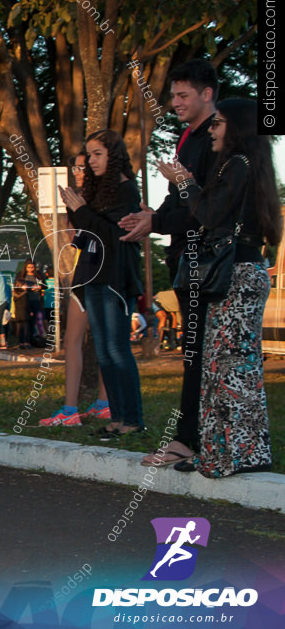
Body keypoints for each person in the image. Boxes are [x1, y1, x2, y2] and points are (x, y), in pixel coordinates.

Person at [163, 98, 280, 477]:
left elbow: (210, 214)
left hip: (237, 275)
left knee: (231, 368)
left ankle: (238, 454)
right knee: (222, 366)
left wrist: (184, 183)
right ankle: (220, 452)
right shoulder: (249, 167)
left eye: (219, 123)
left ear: (238, 128)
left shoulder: (238, 165)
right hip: (242, 272)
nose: (211, 129)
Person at [120, 60, 217, 468]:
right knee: (194, 353)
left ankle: (189, 440)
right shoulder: (184, 139)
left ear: (206, 94)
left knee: (200, 353)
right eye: (172, 95)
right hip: (183, 257)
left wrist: (157, 220)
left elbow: (206, 207)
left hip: (210, 260)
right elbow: (178, 201)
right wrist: (152, 218)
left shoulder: (217, 138)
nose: (174, 102)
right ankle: (193, 438)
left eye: (182, 95)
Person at [59, 129, 144, 439]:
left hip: (116, 276)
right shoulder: (96, 192)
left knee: (118, 348)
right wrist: (76, 208)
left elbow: (113, 235)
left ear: (113, 155)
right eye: (89, 154)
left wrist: (81, 209)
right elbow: (87, 234)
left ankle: (132, 419)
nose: (90, 160)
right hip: (92, 275)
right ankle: (117, 417)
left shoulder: (126, 190)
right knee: (104, 351)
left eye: (97, 154)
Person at [40, 152, 110, 426]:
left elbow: (98, 233)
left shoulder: (101, 197)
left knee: (90, 340)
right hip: (87, 271)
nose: (79, 171)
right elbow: (75, 240)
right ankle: (90, 406)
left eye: (83, 166)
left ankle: (75, 410)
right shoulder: (81, 198)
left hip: (99, 273)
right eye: (76, 167)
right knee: (80, 340)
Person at [12, 261, 44, 349]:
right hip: (24, 301)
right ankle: (24, 341)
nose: (31, 269)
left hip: (35, 300)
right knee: (24, 323)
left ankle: (30, 340)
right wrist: (28, 289)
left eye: (32, 267)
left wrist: (40, 287)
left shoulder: (38, 276)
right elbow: (17, 287)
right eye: (29, 267)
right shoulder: (21, 276)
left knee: (33, 322)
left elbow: (44, 285)